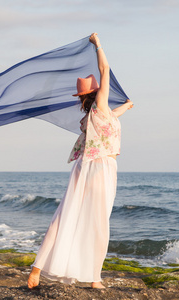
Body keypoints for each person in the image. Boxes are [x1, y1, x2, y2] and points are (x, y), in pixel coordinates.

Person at [27, 33, 133, 289]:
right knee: (97, 222)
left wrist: (126, 107)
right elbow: (105, 69)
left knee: (67, 215)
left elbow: (110, 117)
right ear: (96, 93)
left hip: (85, 167)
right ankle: (95, 278)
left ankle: (37, 269)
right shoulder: (101, 107)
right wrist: (98, 45)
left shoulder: (90, 118)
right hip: (102, 168)